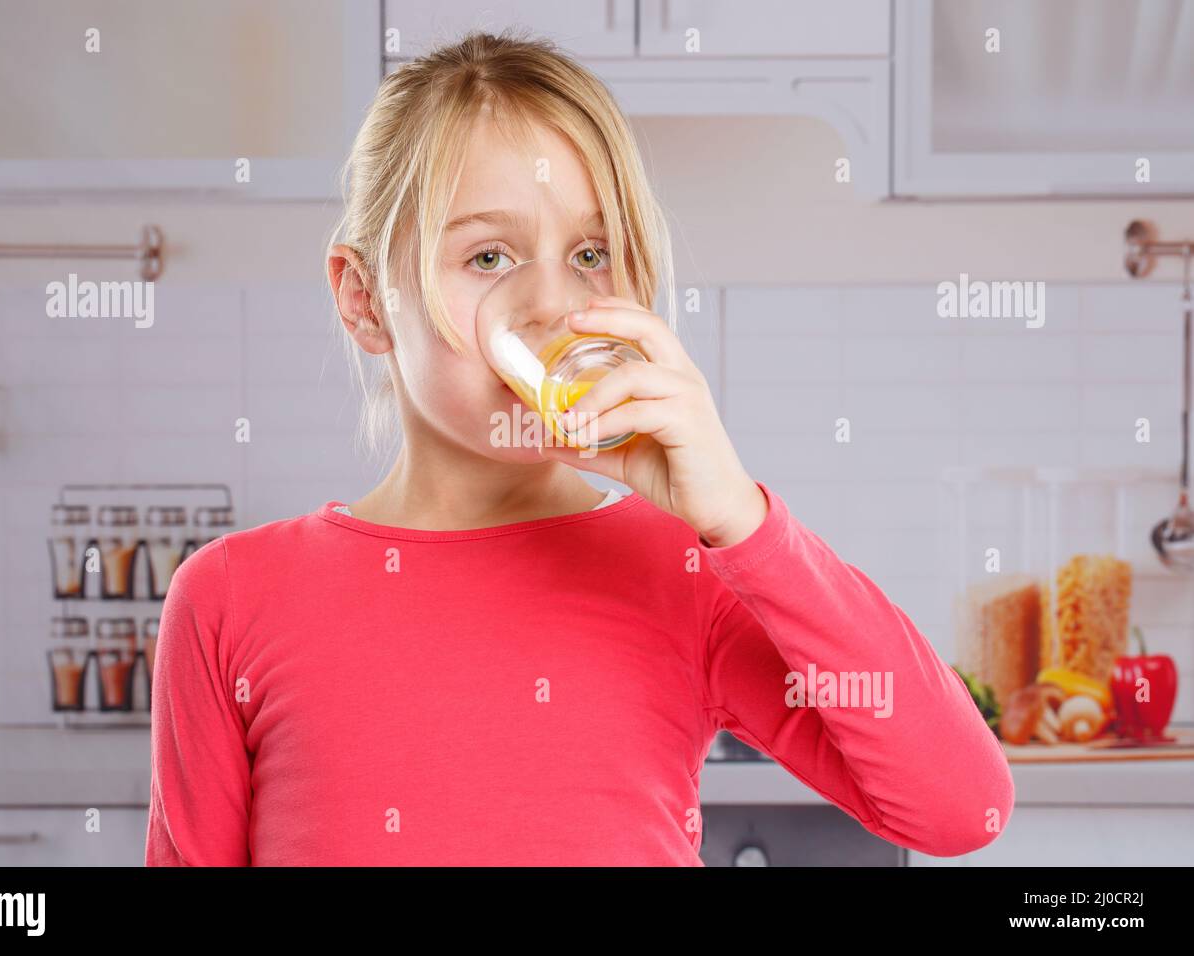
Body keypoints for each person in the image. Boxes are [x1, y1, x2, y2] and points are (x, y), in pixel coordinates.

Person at [145, 31, 1013, 866]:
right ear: (365, 299)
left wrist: (743, 521)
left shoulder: (686, 569)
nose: (554, 306)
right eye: (489, 256)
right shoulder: (230, 599)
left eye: (591, 252)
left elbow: (958, 806)